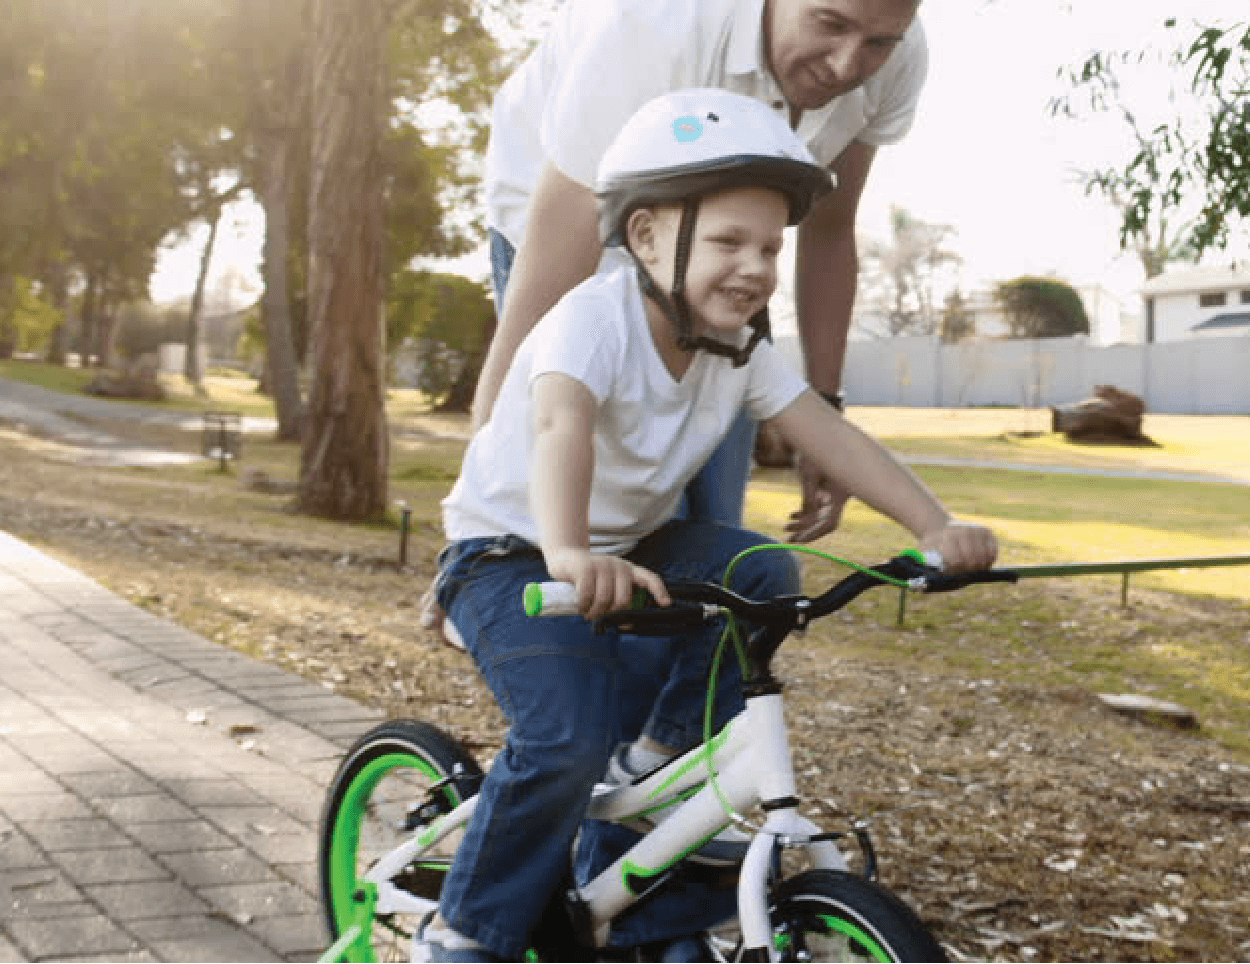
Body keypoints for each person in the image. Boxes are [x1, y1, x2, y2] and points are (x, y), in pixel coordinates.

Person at [420, 89, 996, 963]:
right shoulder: (592, 316)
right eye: (729, 242)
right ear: (648, 238)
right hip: (509, 556)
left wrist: (936, 525)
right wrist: (572, 552)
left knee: (763, 569)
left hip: (620, 549)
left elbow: (829, 434)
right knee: (566, 736)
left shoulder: (737, 351)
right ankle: (464, 932)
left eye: (770, 247)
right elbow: (557, 426)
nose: (756, 267)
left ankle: (655, 767)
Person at [477, 0, 928, 541]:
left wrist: (825, 407)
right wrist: (477, 519)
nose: (846, 66)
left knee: (709, 521)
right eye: (829, 24)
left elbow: (829, 227)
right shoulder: (650, 26)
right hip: (570, 213)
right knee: (562, 471)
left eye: (877, 43)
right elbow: (547, 287)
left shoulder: (898, 53)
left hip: (711, 250)